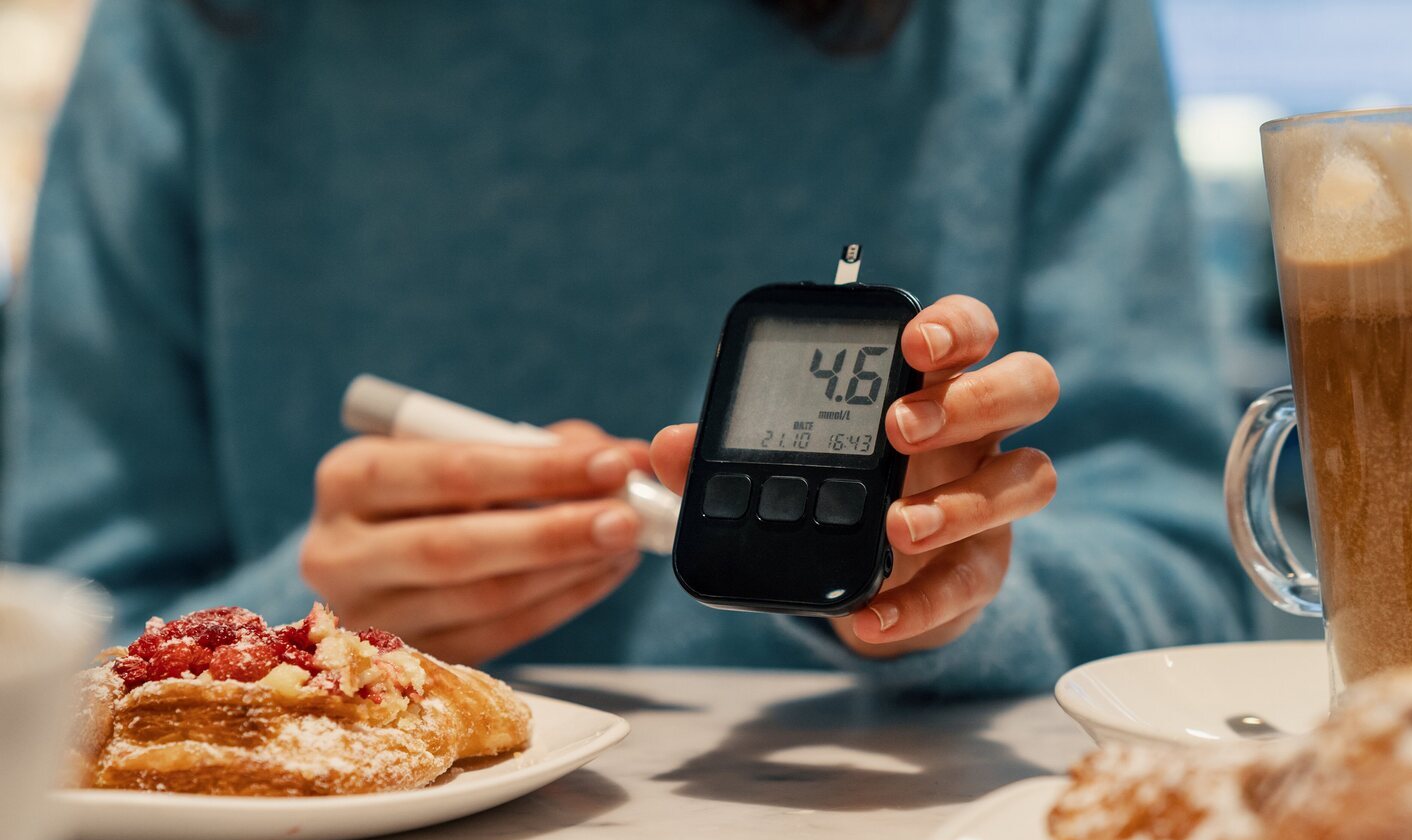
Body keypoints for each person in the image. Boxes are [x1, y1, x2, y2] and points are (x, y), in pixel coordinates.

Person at [2, 0, 1250, 697]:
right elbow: (48, 646)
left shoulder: (1029, 23)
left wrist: (960, 586)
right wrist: (298, 634)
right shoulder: (183, 32)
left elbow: (1197, 580)